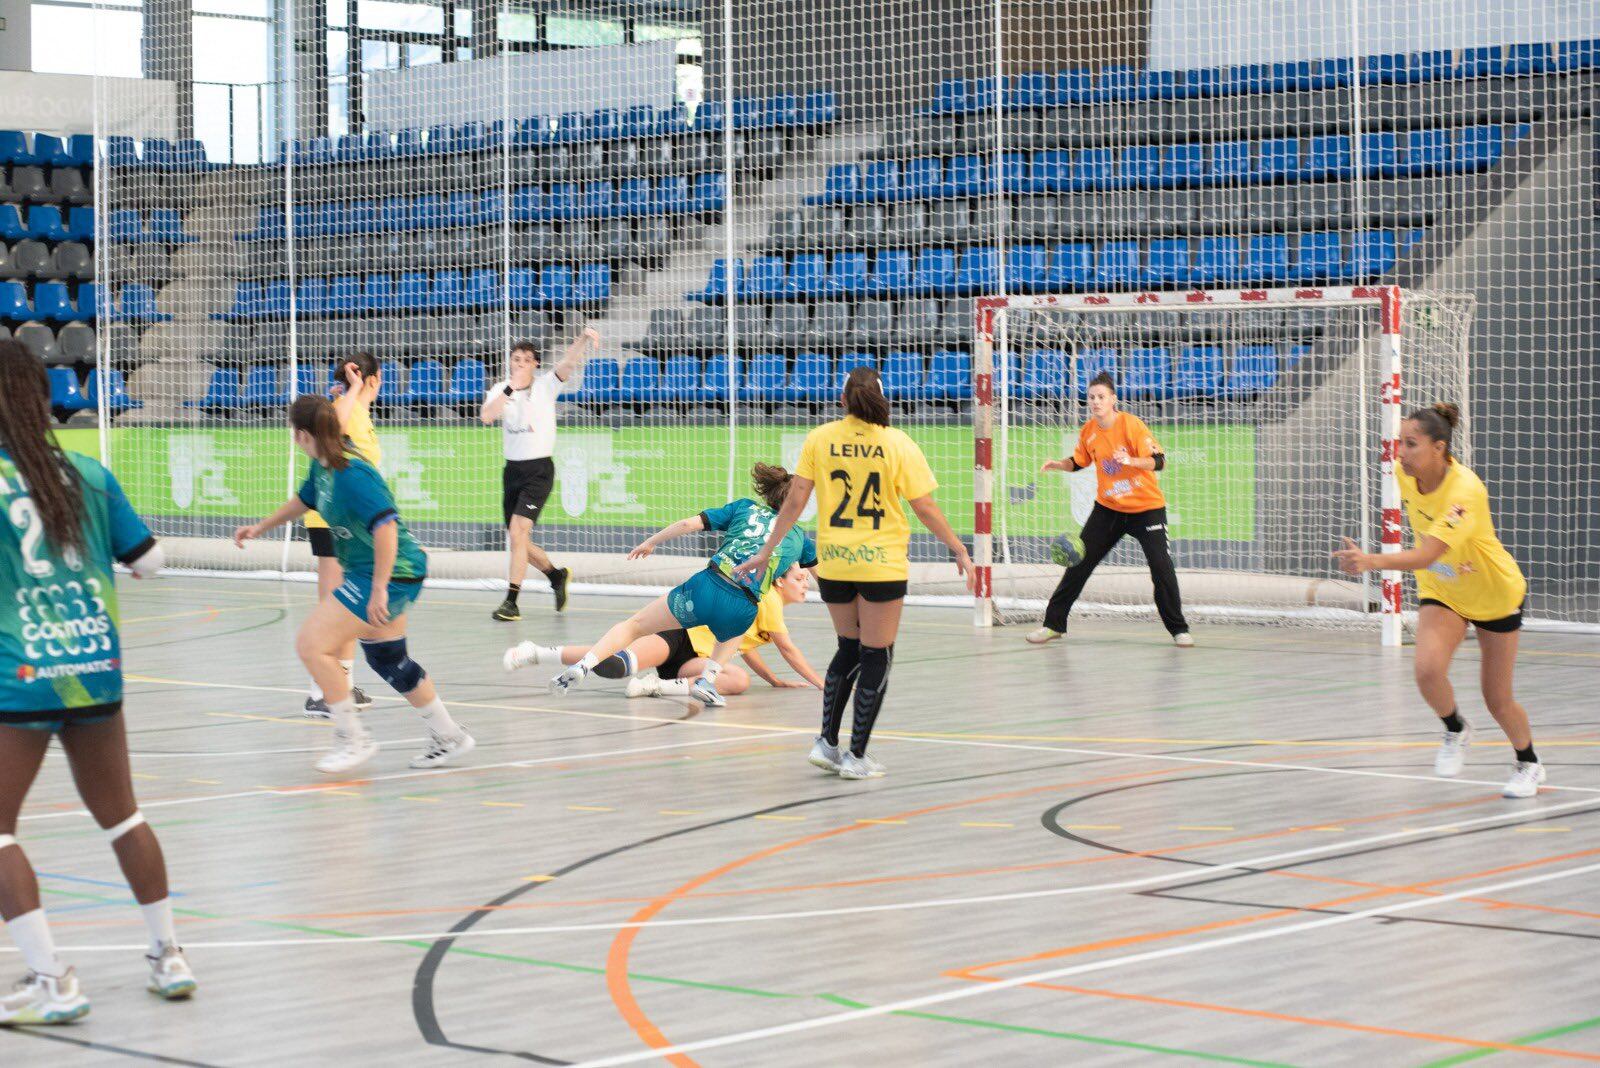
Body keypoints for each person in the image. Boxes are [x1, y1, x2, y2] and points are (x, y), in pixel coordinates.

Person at [0, 339, 195, 1025]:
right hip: (93, 669)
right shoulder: (86, 471)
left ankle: (54, 981)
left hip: (21, 678)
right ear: (43, 398)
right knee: (123, 815)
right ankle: (169, 955)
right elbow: (153, 562)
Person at [734, 366, 973, 780]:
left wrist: (766, 552)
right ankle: (857, 756)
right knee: (877, 654)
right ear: (882, 398)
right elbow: (925, 507)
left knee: (848, 648)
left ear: (843, 400)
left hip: (836, 563)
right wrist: (958, 547)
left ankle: (826, 743)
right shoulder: (897, 443)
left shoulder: (820, 438)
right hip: (880, 563)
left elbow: (793, 503)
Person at [234, 395, 474, 774]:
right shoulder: (322, 467)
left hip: (390, 573)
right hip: (383, 573)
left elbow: (387, 527)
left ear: (300, 435)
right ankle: (450, 735)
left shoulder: (353, 473)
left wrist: (379, 587)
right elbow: (302, 501)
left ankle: (353, 738)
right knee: (389, 660)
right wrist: (260, 527)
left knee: (311, 645)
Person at [1333, 402, 1543, 799]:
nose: (1401, 453)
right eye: (1400, 443)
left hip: (1493, 593)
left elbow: (1428, 553)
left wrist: (1371, 561)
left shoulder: (1464, 491)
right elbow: (1430, 564)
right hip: (1443, 590)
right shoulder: (1403, 473)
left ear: (1439, 448)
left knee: (1497, 698)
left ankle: (1529, 763)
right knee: (1427, 670)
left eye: (1411, 444)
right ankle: (1455, 729)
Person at [525, 463, 815, 706]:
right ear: (798, 505)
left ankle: (584, 665)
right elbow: (824, 577)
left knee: (635, 626)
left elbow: (689, 525)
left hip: (708, 586)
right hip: (742, 605)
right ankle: (707, 681)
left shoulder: (745, 508)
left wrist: (652, 541)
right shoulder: (800, 537)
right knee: (737, 628)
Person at [1030, 370, 1192, 647]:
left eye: (1101, 397)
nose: (1095, 401)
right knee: (1078, 563)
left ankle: (1179, 629)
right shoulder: (1089, 431)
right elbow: (1079, 462)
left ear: (1113, 399)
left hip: (1146, 508)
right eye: (1091, 397)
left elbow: (1159, 461)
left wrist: (1130, 460)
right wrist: (1060, 464)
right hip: (1108, 509)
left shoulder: (1131, 425)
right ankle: (1053, 624)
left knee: (1161, 568)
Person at [504, 564, 823, 697]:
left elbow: (746, 648)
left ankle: (655, 686)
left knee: (737, 680)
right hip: (681, 638)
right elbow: (788, 649)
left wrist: (774, 681)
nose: (806, 584)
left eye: (807, 579)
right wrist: (823, 684)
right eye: (800, 578)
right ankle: (536, 653)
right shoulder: (768, 600)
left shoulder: (766, 606)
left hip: (699, 661)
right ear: (779, 581)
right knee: (618, 662)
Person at [481, 329, 599, 621]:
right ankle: (555, 575)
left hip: (539, 470)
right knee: (517, 538)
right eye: (516, 359)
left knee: (520, 532)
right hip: (513, 471)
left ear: (535, 364)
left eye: (526, 360)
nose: (520, 364)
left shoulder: (546, 386)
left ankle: (511, 601)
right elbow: (486, 416)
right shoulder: (500, 389)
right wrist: (511, 389)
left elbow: (568, 364)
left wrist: (582, 338)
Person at [300, 353, 382, 719]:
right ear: (374, 380)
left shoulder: (356, 412)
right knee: (341, 608)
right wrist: (352, 390)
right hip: (333, 522)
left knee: (346, 608)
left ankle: (339, 687)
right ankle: (325, 692)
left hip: (341, 523)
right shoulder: (342, 408)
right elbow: (336, 427)